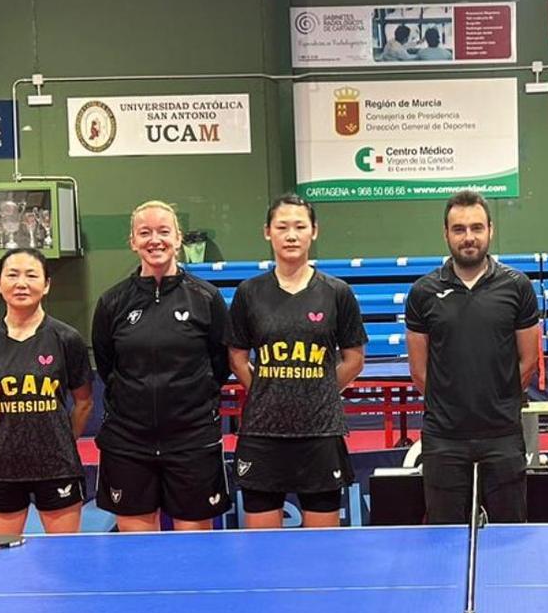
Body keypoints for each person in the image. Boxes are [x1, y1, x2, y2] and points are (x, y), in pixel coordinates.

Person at [91, 200, 232, 531]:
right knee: (139, 554)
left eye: (163, 231)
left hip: (192, 441)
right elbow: (107, 365)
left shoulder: (206, 298)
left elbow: (220, 363)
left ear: (178, 238)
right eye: (145, 232)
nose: (155, 240)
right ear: (133, 241)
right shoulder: (112, 302)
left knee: (194, 553)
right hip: (128, 443)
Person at [227, 194, 367, 528]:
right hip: (263, 433)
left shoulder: (337, 293)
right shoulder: (249, 293)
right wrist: (268, 389)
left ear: (313, 232)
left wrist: (317, 390)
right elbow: (236, 357)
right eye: (282, 227)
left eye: (300, 226)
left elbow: (354, 359)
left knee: (321, 551)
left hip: (320, 433)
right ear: (267, 232)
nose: (291, 235)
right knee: (262, 549)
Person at [405, 190, 540, 523]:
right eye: (459, 229)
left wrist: (499, 402)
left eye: (477, 228)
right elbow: (419, 370)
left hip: (503, 435)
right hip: (443, 438)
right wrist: (452, 406)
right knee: (444, 537)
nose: (469, 237)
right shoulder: (423, 292)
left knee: (511, 536)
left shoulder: (517, 286)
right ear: (446, 233)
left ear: (490, 230)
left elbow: (529, 361)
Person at [0, 248, 93, 535]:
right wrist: (1, 437)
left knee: (65, 560)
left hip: (58, 468)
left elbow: (84, 403)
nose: (21, 283)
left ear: (45, 285)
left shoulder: (67, 339)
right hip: (1, 469)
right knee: (0, 560)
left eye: (31, 275)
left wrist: (60, 438)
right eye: (12, 275)